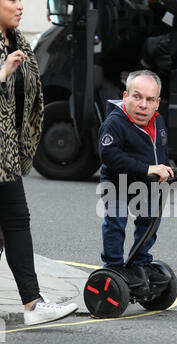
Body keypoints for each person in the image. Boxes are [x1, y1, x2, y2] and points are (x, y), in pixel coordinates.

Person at [0, 0, 78, 325]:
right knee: (17, 219)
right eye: (13, 0)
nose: (20, 6)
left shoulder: (17, 42)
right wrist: (2, 74)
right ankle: (33, 303)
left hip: (9, 150)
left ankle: (33, 303)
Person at [99, 69, 174, 296]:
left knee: (150, 221)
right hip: (118, 183)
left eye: (150, 99)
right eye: (137, 97)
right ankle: (113, 267)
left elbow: (160, 150)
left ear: (157, 103)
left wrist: (164, 168)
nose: (143, 105)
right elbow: (110, 157)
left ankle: (139, 262)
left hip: (147, 184)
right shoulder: (114, 123)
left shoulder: (158, 121)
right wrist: (147, 169)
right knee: (116, 222)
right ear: (125, 96)